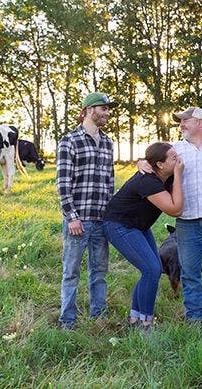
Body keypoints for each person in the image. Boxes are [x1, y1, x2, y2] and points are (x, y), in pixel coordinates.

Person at [140, 106, 202, 322]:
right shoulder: (174, 149)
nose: (181, 124)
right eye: (180, 121)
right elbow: (151, 160)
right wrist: (141, 162)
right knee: (189, 271)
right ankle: (194, 316)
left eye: (186, 120)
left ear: (201, 122)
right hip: (186, 221)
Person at [102, 143, 184, 330]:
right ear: (160, 164)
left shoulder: (166, 176)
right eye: (173, 157)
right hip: (118, 225)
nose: (178, 159)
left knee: (151, 270)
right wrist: (178, 175)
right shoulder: (148, 181)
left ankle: (134, 320)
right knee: (152, 269)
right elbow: (175, 209)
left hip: (138, 225)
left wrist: (174, 174)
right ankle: (146, 324)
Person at [56, 92, 116, 330]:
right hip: (78, 221)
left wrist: (110, 215)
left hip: (101, 220)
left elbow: (109, 181)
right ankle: (67, 321)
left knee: (99, 271)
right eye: (104, 108)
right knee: (71, 272)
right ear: (90, 110)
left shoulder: (108, 142)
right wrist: (72, 217)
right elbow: (63, 183)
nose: (107, 113)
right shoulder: (69, 141)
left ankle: (98, 317)